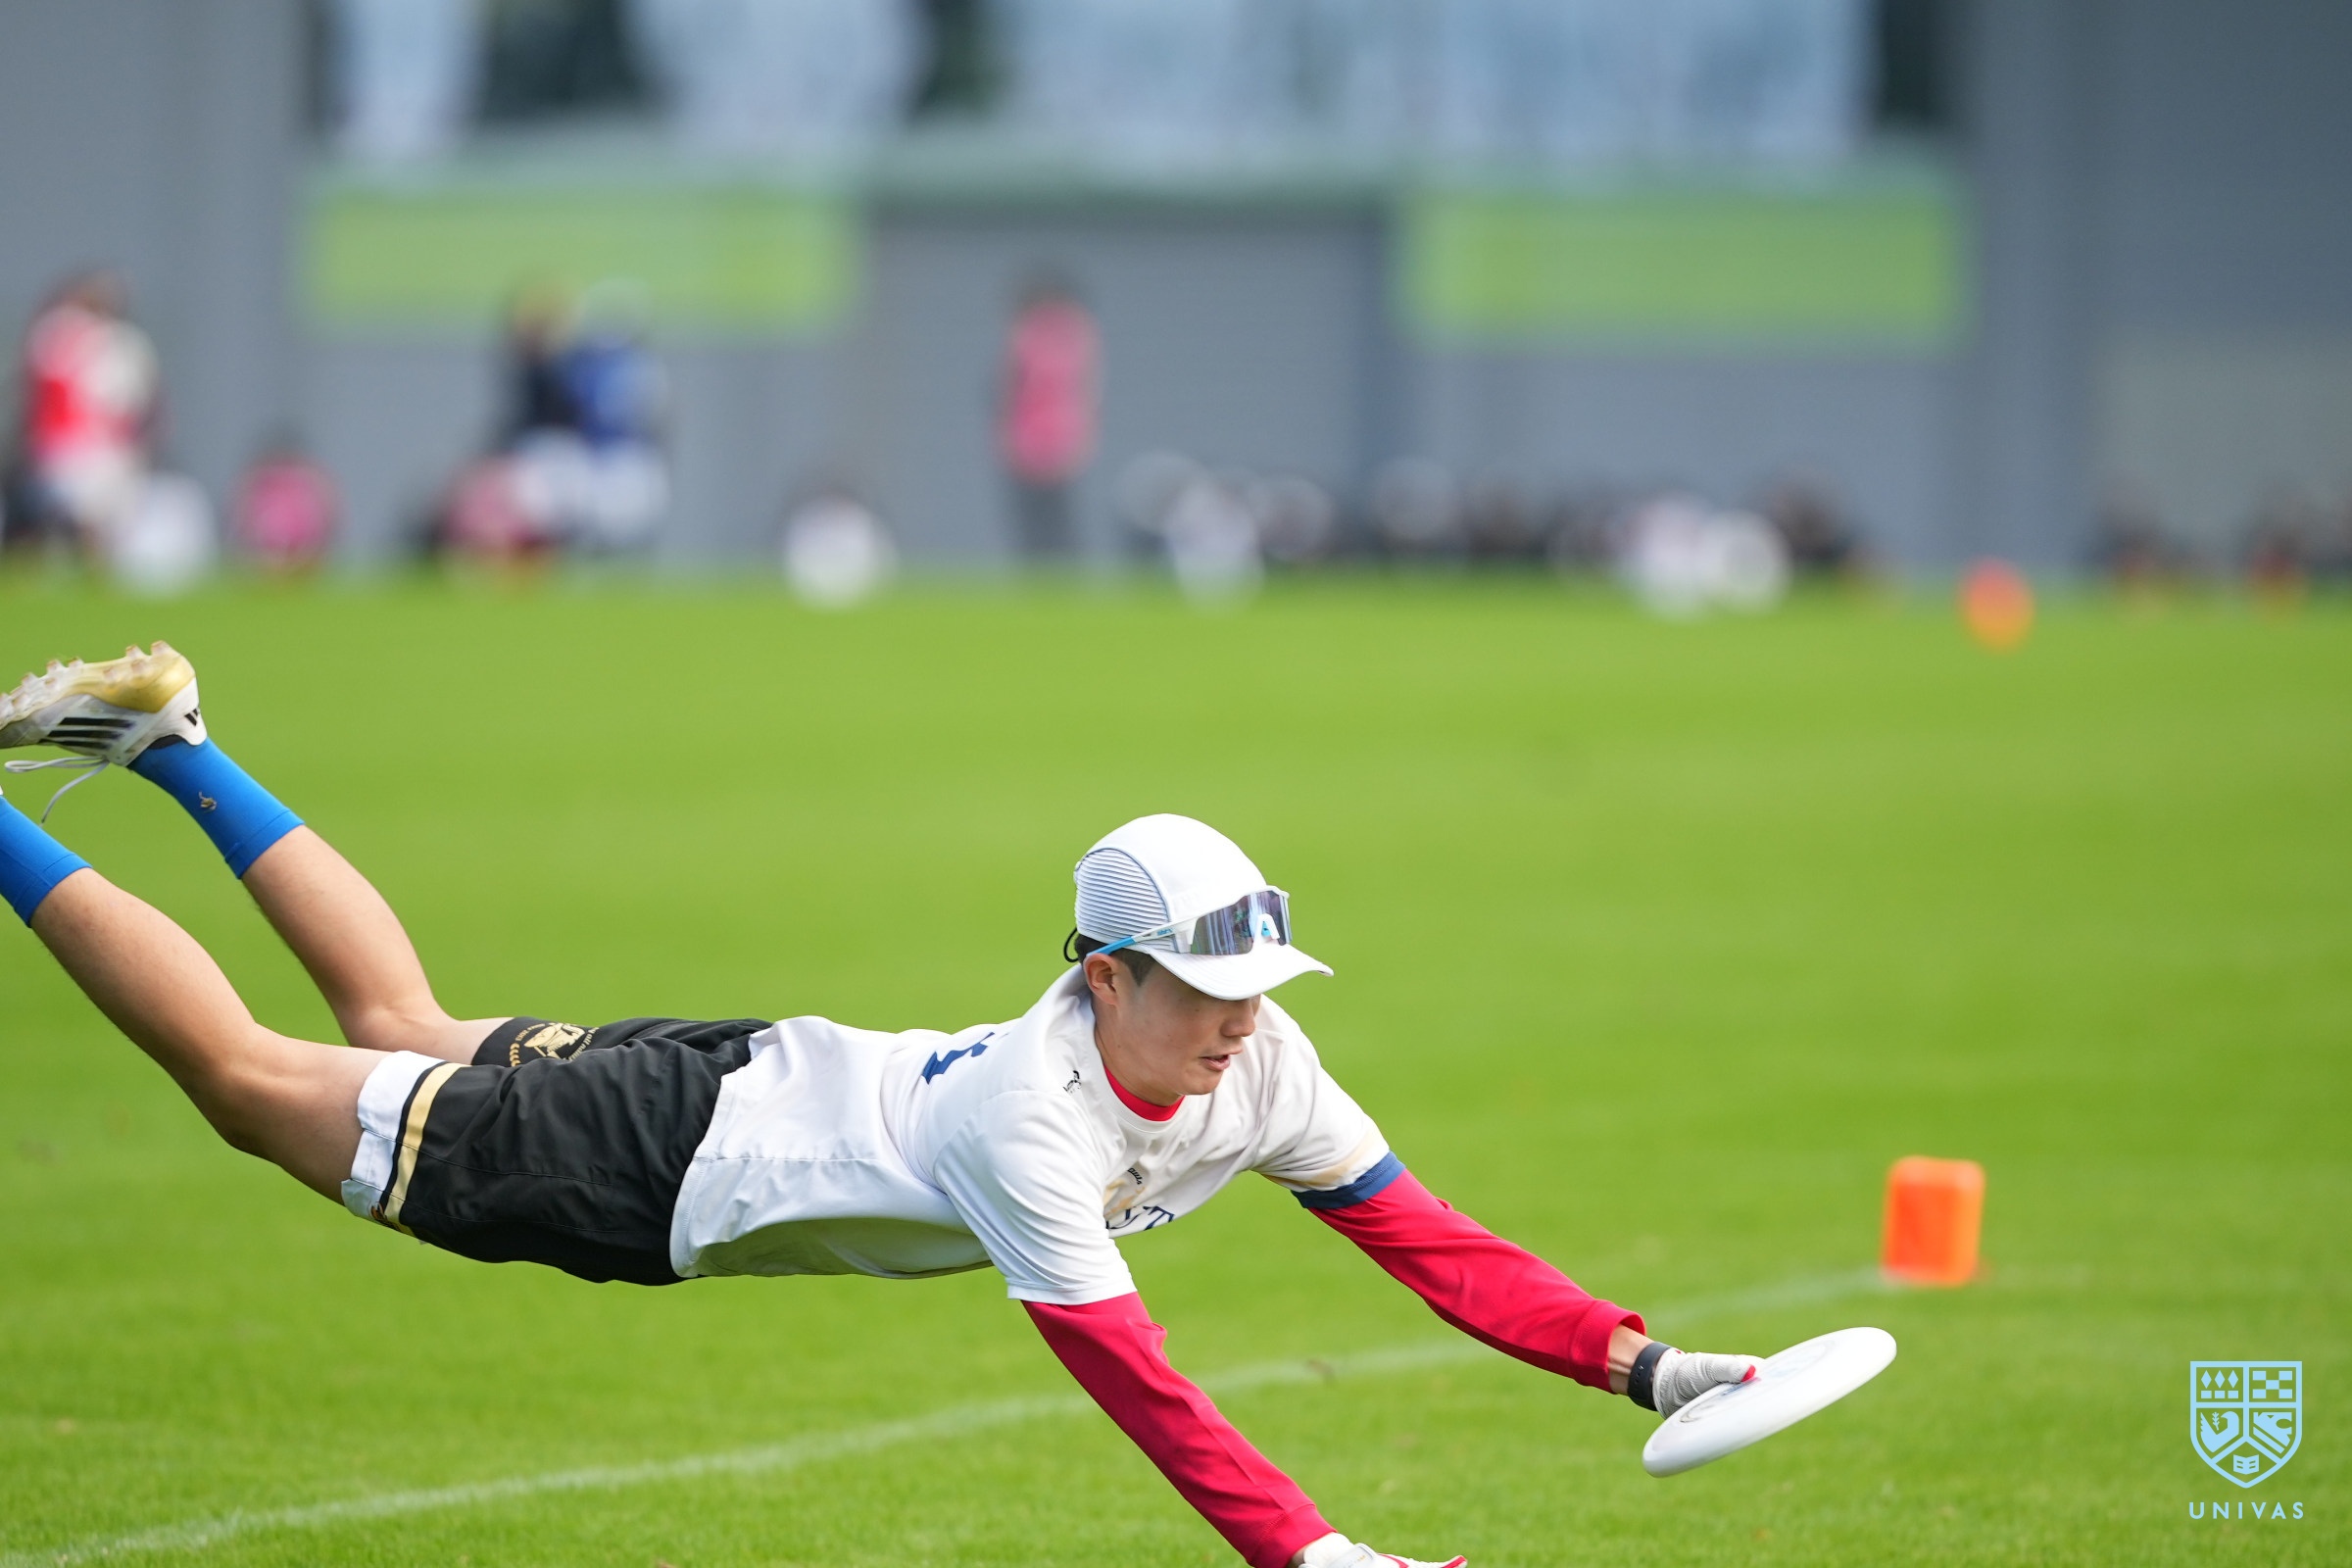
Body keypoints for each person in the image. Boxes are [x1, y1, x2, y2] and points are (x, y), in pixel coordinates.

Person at [0, 644, 1763, 1568]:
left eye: (1257, 988)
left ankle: (177, 742)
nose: (1243, 1026)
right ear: (1106, 978)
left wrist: (1643, 1362)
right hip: (656, 1167)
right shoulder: (1033, 1129)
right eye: (1205, 990)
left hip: (747, 1067)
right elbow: (1146, 1392)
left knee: (403, 1024)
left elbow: (1432, 1244)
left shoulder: (1263, 1063)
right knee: (248, 1084)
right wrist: (1315, 1558)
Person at [997, 274, 1099, 560]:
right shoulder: (1072, 333)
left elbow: (1085, 391)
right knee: (1041, 516)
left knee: (1050, 516)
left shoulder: (1064, 333)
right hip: (1036, 437)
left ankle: (1056, 567)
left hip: (1050, 438)